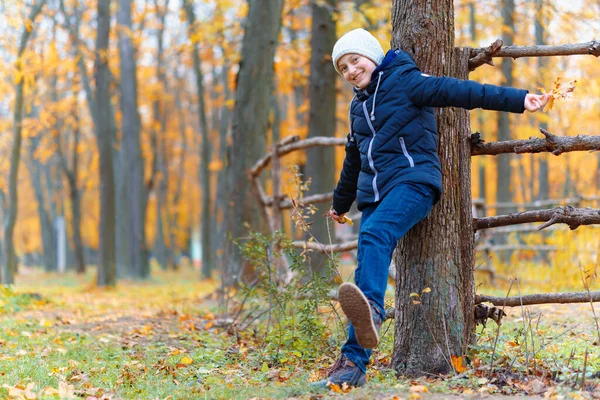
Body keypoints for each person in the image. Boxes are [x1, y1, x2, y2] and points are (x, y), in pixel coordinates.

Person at [316, 28, 549, 388]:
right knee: (368, 255)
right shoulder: (357, 105)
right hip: (377, 194)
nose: (350, 71)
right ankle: (353, 364)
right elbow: (353, 158)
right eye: (343, 68)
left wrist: (520, 100)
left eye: (355, 60)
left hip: (413, 182)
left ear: (372, 56)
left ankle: (373, 315)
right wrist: (339, 202)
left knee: (375, 235)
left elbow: (461, 91)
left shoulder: (406, 80)